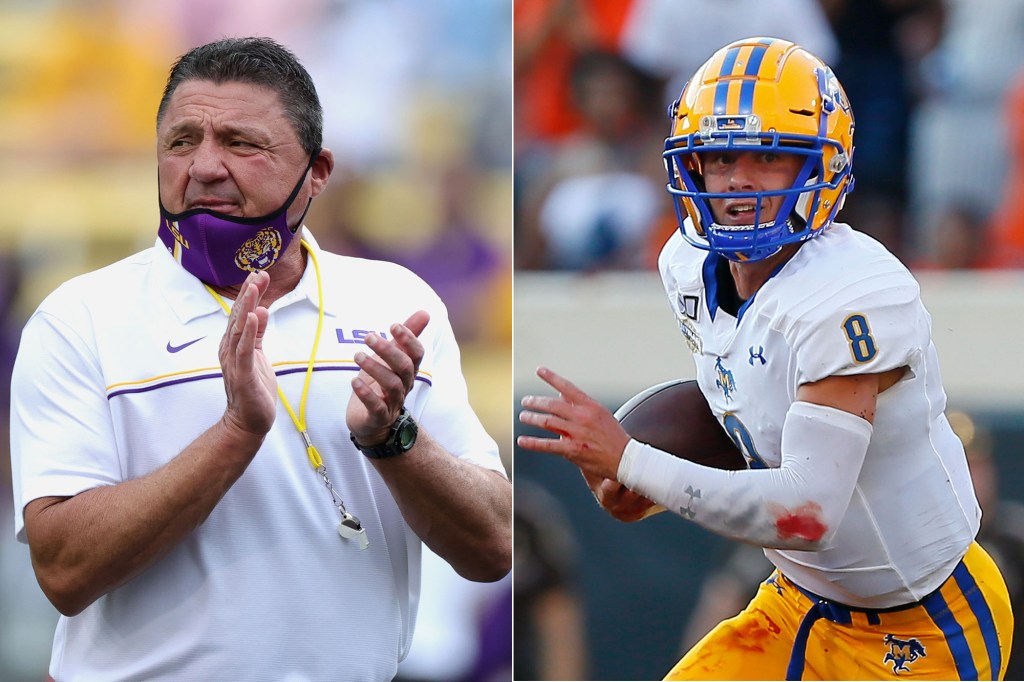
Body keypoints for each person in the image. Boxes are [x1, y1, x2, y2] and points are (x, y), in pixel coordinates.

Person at [9, 37, 512, 682]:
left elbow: (492, 547)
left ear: (318, 172)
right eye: (182, 141)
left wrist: (394, 439)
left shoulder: (397, 302)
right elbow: (64, 570)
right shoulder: (79, 317)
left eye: (242, 144)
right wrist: (235, 434)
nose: (205, 166)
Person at [518, 36, 1013, 680]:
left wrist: (634, 459)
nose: (739, 179)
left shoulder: (853, 293)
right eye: (720, 157)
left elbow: (806, 512)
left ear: (821, 166)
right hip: (796, 603)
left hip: (925, 625)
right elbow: (751, 402)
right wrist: (645, 482)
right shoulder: (687, 266)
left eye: (767, 157)